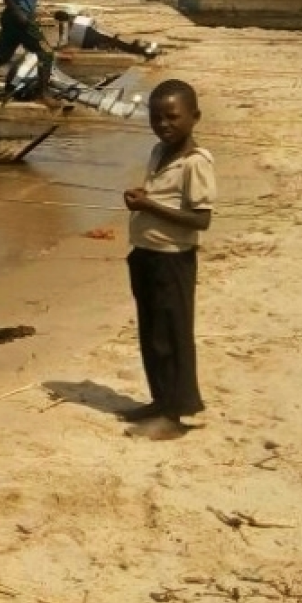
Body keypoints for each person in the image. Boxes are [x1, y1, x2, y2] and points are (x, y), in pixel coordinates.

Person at [120, 79, 215, 441]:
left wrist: (149, 206)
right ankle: (160, 400)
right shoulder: (159, 152)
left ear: (194, 117)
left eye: (172, 117)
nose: (164, 125)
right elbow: (164, 196)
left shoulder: (196, 163)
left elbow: (200, 219)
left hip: (173, 260)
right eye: (156, 118)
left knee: (173, 335)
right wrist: (144, 196)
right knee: (151, 334)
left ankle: (175, 414)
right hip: (146, 254)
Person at [52, 6, 159, 59]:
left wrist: (56, 48)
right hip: (97, 36)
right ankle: (143, 50)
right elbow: (96, 25)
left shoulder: (64, 26)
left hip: (89, 42)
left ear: (59, 20)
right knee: (119, 44)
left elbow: (63, 42)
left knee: (117, 46)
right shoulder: (78, 18)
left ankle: (142, 51)